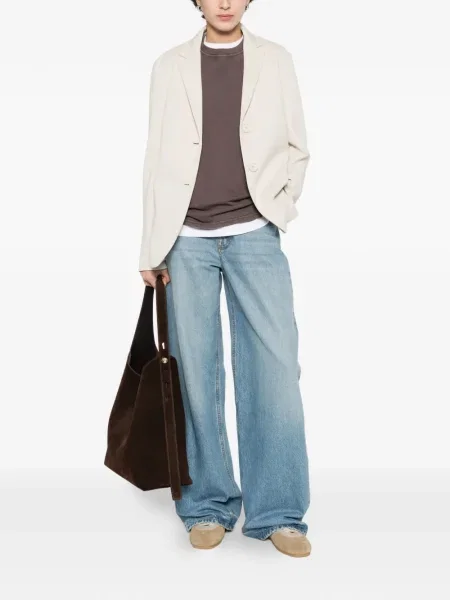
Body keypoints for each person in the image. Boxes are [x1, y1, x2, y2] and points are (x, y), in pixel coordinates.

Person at [138, 0, 311, 558]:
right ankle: (207, 504)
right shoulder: (169, 66)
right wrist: (152, 244)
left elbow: (298, 148)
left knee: (275, 371)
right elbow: (156, 159)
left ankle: (279, 512)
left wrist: (279, 206)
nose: (225, 1)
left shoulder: (275, 59)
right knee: (195, 372)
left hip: (255, 232)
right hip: (184, 239)